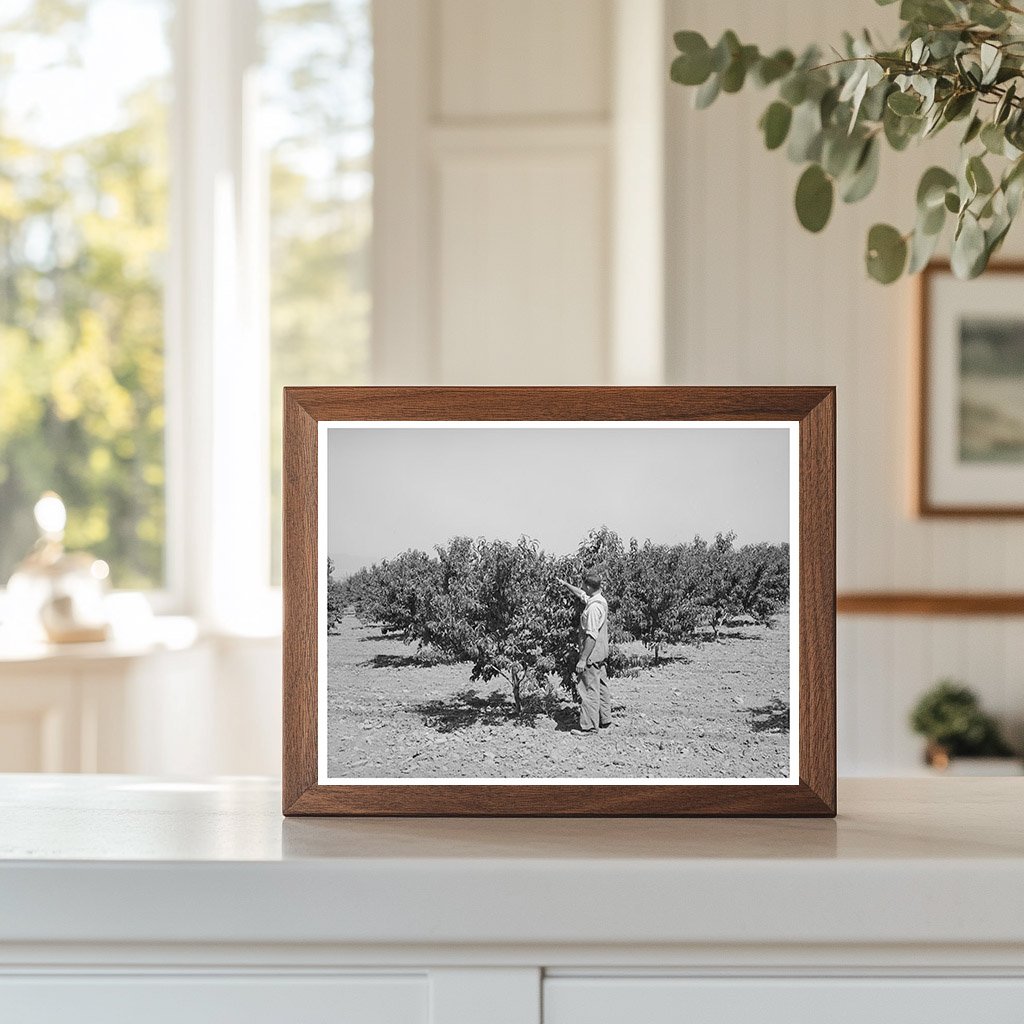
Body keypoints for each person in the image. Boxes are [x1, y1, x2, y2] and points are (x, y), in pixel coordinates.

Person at [557, 567, 611, 734]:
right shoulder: (599, 600)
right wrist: (566, 584)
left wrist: (583, 659)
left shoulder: (594, 608)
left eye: (583, 585)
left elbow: (591, 636)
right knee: (601, 686)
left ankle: (588, 727)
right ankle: (604, 721)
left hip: (591, 655)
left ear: (589, 586)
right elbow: (582, 594)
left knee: (588, 689)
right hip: (601, 653)